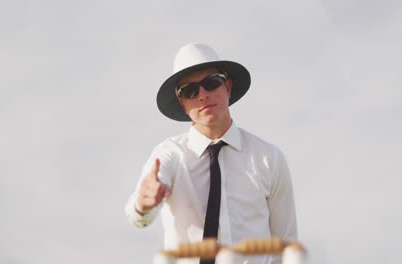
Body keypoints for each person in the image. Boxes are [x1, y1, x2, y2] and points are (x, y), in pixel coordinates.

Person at [125, 43, 298, 264]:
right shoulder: (169, 155)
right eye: (190, 90)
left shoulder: (268, 158)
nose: (203, 95)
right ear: (181, 101)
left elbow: (285, 244)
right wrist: (143, 202)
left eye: (211, 83)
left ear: (227, 86)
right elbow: (138, 215)